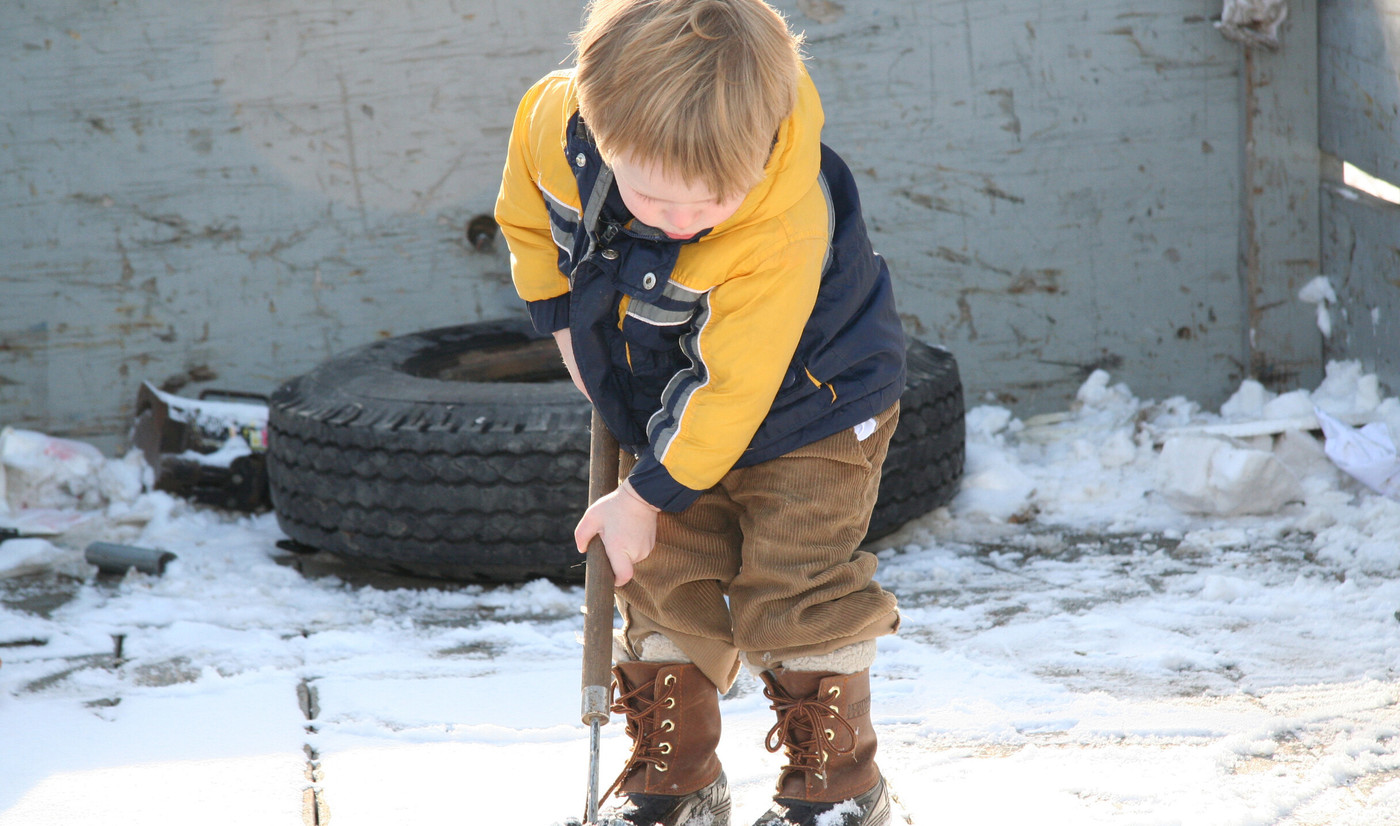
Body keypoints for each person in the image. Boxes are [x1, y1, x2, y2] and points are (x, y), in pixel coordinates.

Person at [495, 2, 906, 825]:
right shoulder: (550, 121)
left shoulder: (781, 223)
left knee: (793, 584)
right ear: (596, 121)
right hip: (667, 388)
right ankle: (676, 778)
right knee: (658, 573)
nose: (682, 222)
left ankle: (841, 790)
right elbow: (528, 225)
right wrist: (577, 348)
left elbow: (731, 392)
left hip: (812, 405)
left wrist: (644, 495)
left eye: (711, 203)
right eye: (654, 197)